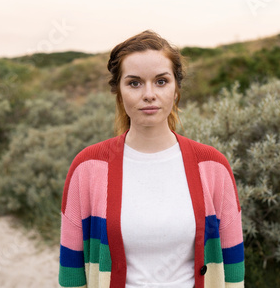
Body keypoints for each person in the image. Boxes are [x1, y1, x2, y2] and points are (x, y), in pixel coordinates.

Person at [59, 30, 245, 288]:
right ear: (119, 91)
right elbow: (71, 269)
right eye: (134, 83)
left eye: (161, 81)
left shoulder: (212, 167)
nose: (149, 94)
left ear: (176, 89)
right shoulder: (88, 167)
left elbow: (234, 267)